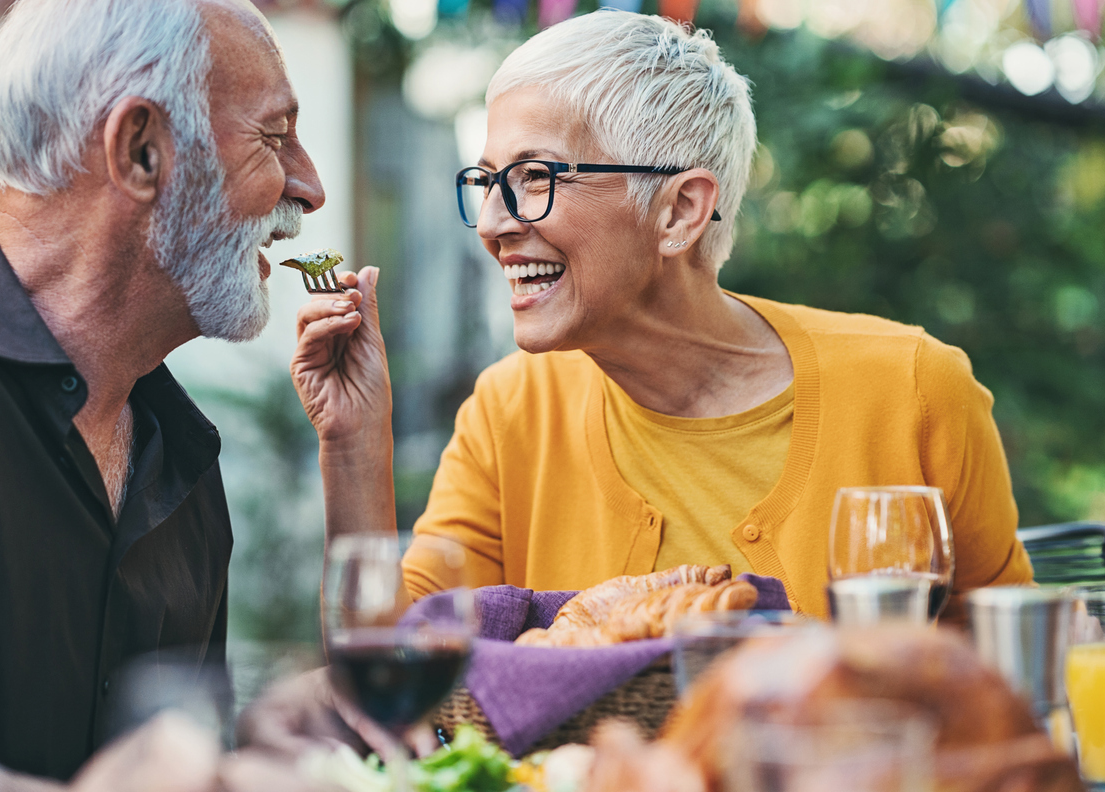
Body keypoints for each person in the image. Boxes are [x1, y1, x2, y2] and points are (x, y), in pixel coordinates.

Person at [291, 10, 1033, 620]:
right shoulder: (511, 413)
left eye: (534, 178)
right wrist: (354, 444)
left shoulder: (911, 393)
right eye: (487, 182)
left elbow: (1018, 676)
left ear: (680, 210)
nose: (492, 222)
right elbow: (396, 673)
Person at [0, 0, 382, 792]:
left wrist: (240, 765)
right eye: (273, 135)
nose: (310, 185)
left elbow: (166, 788)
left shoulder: (181, 460)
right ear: (141, 149)